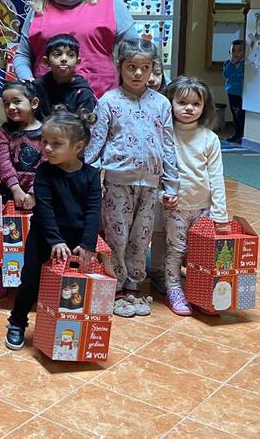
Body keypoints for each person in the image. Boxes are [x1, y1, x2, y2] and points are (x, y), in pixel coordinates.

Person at [85, 38, 179, 318]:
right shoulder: (109, 101)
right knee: (117, 234)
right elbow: (96, 141)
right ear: (120, 67)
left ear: (153, 69)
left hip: (150, 184)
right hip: (117, 182)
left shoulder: (161, 104)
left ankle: (134, 284)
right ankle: (114, 285)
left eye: (145, 67)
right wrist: (86, 177)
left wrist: (172, 184)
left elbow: (168, 145)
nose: (138, 74)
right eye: (131, 67)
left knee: (142, 235)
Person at [4, 110, 100, 350]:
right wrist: (54, 240)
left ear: (78, 146)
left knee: (72, 288)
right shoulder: (45, 172)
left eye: (56, 144)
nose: (46, 148)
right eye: (45, 142)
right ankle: (17, 321)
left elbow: (93, 210)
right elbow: (44, 208)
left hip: (76, 240)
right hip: (43, 237)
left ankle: (66, 329)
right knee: (30, 280)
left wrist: (88, 243)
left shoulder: (91, 175)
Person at [13, 0, 137, 98]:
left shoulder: (110, 1)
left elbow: (135, 50)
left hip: (100, 102)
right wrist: (29, 85)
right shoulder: (38, 8)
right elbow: (23, 55)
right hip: (47, 105)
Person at [151, 77, 228, 316]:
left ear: (205, 107)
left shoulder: (209, 138)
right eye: (182, 102)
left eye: (196, 103)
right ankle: (173, 287)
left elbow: (216, 178)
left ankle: (198, 290)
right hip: (175, 208)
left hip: (203, 207)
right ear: (170, 102)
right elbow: (155, 174)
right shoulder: (164, 135)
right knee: (176, 248)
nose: (188, 108)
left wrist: (219, 213)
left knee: (198, 251)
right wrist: (162, 196)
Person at [0, 80, 44, 299]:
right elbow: (3, 161)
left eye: (16, 102)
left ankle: (34, 278)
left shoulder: (46, 131)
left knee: (35, 239)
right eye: (6, 104)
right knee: (5, 236)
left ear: (34, 103)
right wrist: (16, 190)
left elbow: (47, 164)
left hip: (39, 196)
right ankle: (2, 275)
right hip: (9, 195)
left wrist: (32, 192)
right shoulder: (6, 131)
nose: (11, 108)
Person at [33, 34, 97, 118]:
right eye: (57, 54)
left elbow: (85, 125)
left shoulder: (83, 93)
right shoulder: (37, 87)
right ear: (46, 61)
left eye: (70, 55)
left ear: (77, 62)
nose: (64, 59)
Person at [223, 40, 246, 144]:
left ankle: (242, 134)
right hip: (232, 91)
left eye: (239, 50)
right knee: (235, 113)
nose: (236, 53)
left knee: (242, 114)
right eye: (233, 50)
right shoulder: (228, 63)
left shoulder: (245, 65)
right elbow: (227, 75)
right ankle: (237, 133)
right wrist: (232, 63)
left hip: (243, 93)